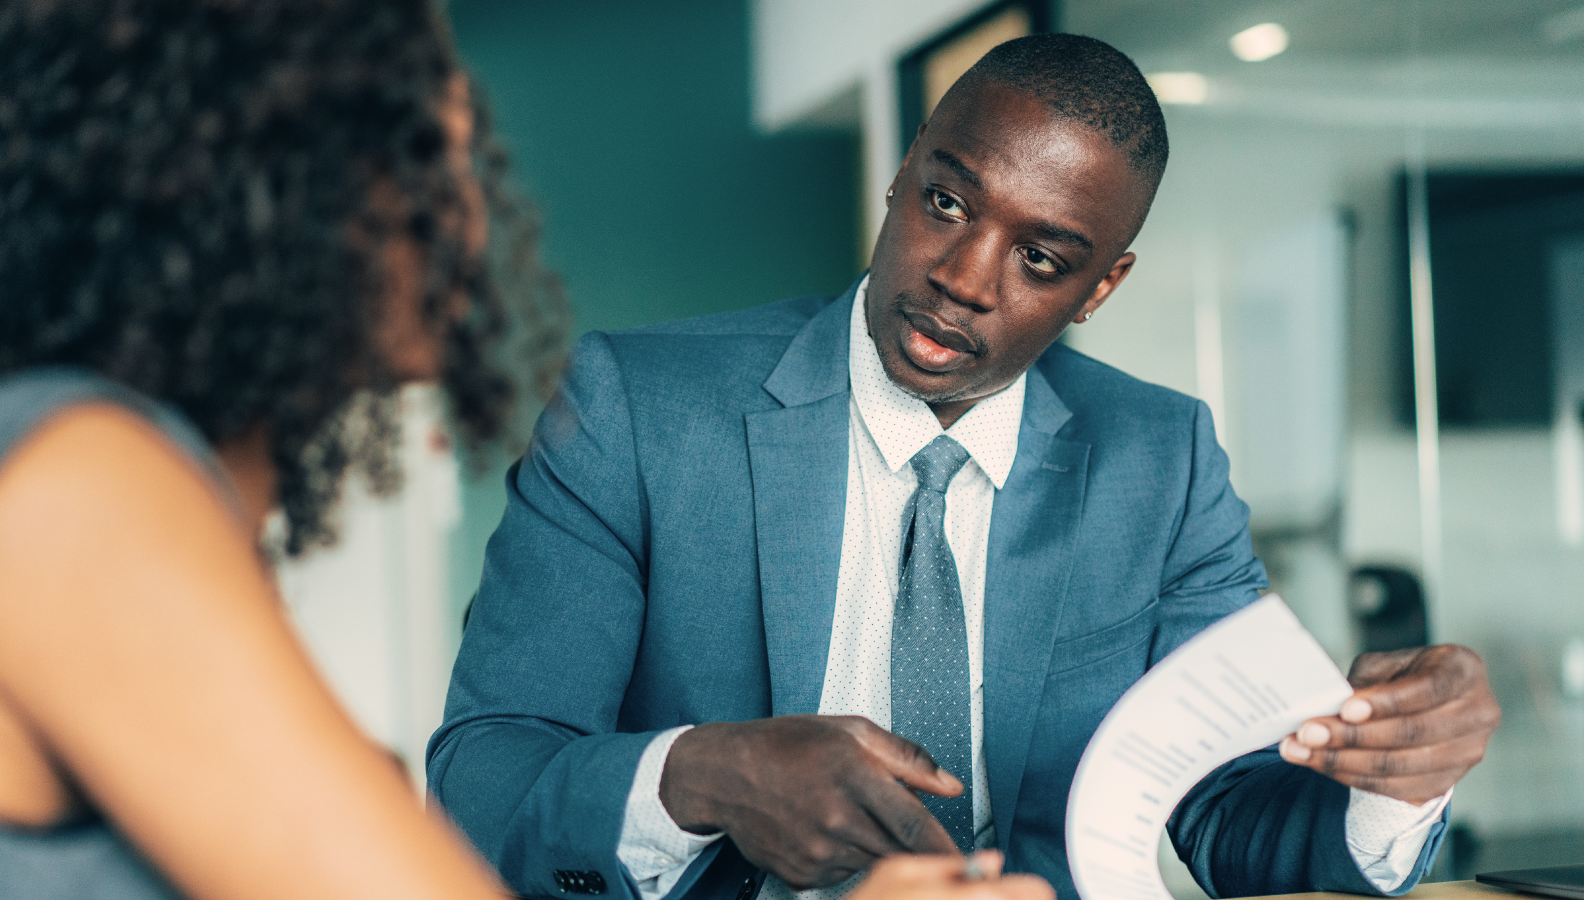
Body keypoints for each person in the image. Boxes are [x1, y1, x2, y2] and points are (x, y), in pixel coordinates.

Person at [0, 5, 1051, 900]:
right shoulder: (78, 487)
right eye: (424, 159)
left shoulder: (111, 485)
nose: (470, 220)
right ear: (250, 191)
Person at [430, 32, 1502, 900]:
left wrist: (1400, 776)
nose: (963, 278)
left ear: (1099, 288)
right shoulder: (636, 407)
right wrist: (704, 775)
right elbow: (483, 784)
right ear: (901, 180)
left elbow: (1237, 823)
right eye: (946, 202)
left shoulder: (1158, 461)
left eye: (1041, 259)